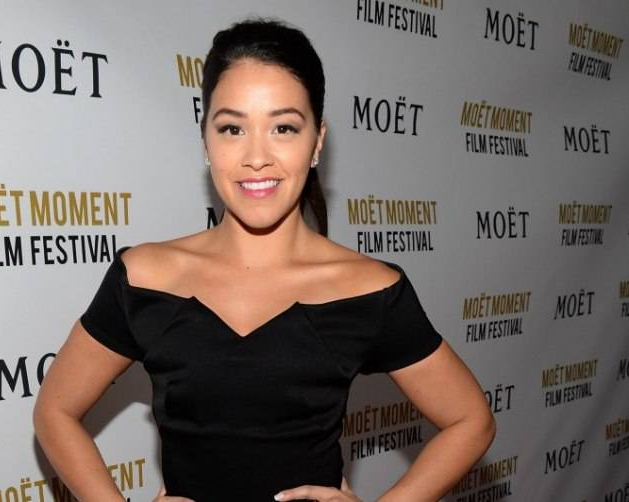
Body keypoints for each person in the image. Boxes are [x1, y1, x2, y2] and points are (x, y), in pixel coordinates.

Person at [33, 16, 495, 502]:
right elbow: (54, 411)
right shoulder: (145, 277)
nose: (257, 157)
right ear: (206, 140)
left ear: (317, 142)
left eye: (284, 127)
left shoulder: (369, 289)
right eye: (232, 128)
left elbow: (471, 421)